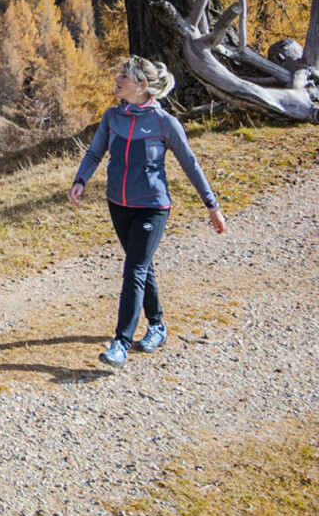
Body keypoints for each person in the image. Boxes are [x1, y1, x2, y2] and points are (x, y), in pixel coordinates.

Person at [69, 56, 226, 367]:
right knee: (141, 266)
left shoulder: (164, 123)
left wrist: (212, 206)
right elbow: (95, 151)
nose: (117, 79)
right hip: (118, 204)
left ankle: (121, 343)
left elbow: (190, 164)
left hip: (152, 208)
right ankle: (157, 325)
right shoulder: (112, 117)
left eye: (123, 76)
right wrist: (80, 180)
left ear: (141, 85)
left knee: (134, 269)